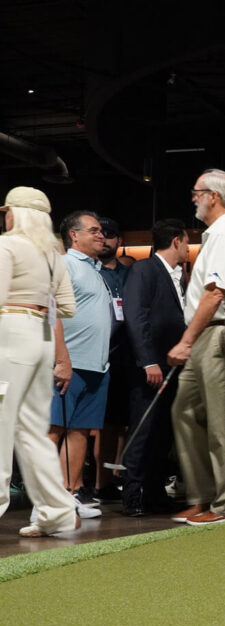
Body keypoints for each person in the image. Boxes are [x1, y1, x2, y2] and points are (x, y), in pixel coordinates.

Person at [167, 169, 225, 526]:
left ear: (212, 196)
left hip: (221, 333)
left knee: (223, 420)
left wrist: (186, 340)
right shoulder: (217, 233)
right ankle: (202, 497)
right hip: (206, 335)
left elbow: (217, 292)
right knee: (183, 411)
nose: (193, 198)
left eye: (196, 192)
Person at [0, 187, 80, 537]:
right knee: (31, 431)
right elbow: (67, 307)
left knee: (2, 425)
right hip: (41, 337)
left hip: (11, 333)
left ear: (16, 213)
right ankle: (57, 511)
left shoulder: (6, 246)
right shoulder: (52, 254)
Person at [120, 219, 190, 516]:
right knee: (144, 429)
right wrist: (149, 360)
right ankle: (132, 494)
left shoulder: (180, 276)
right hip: (151, 366)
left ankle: (155, 492)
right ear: (176, 240)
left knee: (163, 432)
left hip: (174, 366)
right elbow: (136, 316)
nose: (188, 248)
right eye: (187, 242)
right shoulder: (144, 269)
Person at [47, 209, 110, 517]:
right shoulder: (65, 264)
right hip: (69, 362)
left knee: (82, 430)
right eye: (94, 230)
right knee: (54, 428)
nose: (101, 235)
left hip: (96, 365)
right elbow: (52, 313)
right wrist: (62, 359)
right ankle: (46, 499)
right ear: (74, 235)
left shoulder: (94, 269)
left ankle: (69, 493)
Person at [94, 216, 133, 503]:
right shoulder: (89, 271)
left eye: (110, 234)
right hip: (97, 354)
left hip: (128, 355)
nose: (104, 238)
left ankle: (121, 479)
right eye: (99, 233)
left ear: (119, 240)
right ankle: (99, 482)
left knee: (123, 422)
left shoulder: (130, 272)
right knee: (101, 425)